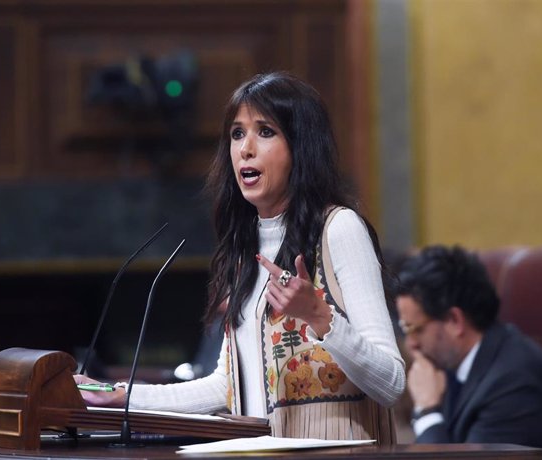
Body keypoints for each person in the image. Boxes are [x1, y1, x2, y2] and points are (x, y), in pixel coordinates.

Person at [75, 71, 405, 442]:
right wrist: (122, 395)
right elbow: (227, 387)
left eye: (265, 132)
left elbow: (391, 382)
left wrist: (320, 316)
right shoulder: (243, 251)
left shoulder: (340, 230)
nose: (245, 148)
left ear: (302, 147)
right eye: (237, 133)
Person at [396, 245, 542, 458]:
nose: (411, 344)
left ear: (455, 321)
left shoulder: (513, 384)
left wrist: (427, 409)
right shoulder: (452, 363)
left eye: (415, 329)